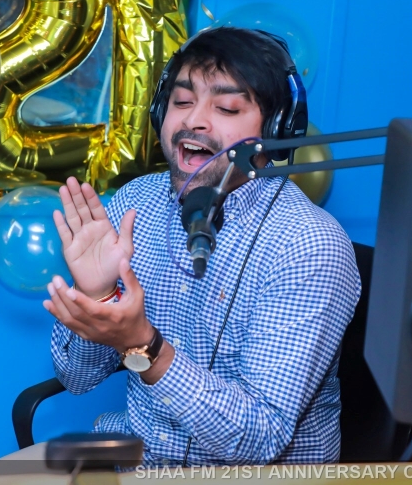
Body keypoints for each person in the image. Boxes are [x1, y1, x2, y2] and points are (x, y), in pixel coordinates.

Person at [44, 27, 361, 466]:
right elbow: (76, 378)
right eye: (181, 101)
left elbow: (259, 441)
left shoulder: (308, 245)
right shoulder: (137, 204)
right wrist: (99, 295)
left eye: (227, 107)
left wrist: (145, 346)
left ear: (275, 130)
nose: (194, 120)